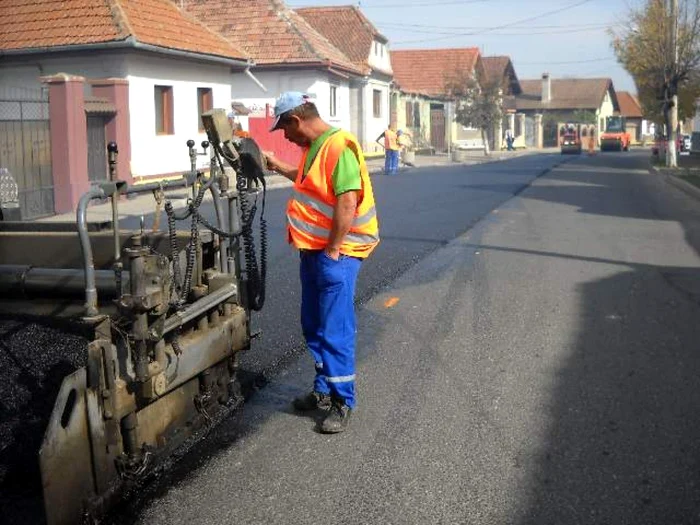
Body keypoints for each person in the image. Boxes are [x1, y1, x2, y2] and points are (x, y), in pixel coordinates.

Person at [263, 92, 380, 434]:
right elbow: (309, 185)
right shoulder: (314, 149)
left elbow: (347, 201)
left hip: (336, 255)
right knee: (313, 324)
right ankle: (324, 388)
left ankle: (343, 402)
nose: (284, 137)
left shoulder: (340, 146)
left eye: (284, 129)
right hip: (313, 251)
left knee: (335, 329)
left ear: (296, 121)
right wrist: (275, 165)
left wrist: (332, 248)